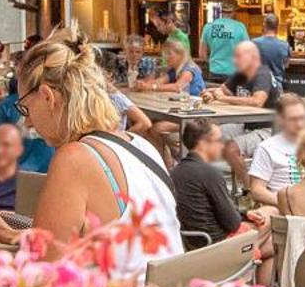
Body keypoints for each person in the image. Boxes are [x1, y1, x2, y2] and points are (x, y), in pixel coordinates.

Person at [16, 27, 182, 273]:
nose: (28, 122)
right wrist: (11, 232)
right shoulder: (143, 147)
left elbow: (41, 272)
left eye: (26, 108)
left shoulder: (75, 158)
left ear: (47, 97)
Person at [171, 121, 246, 246]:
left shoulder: (175, 172)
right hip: (214, 245)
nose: (222, 145)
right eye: (219, 140)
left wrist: (246, 214)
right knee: (268, 222)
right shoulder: (210, 173)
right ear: (203, 143)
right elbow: (233, 223)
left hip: (188, 244)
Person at [240, 95, 305, 211]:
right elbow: (257, 190)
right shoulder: (267, 148)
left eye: (302, 118)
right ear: (280, 120)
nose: (299, 124)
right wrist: (286, 203)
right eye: (293, 119)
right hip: (281, 207)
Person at [203, 40, 280, 110]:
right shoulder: (241, 73)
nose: (235, 61)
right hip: (244, 119)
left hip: (264, 122)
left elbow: (257, 102)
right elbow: (223, 90)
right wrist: (212, 95)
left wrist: (223, 98)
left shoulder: (262, 73)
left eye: (239, 57)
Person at [133, 38, 204, 96]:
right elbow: (159, 81)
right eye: (164, 54)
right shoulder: (174, 70)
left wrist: (151, 87)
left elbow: (177, 87)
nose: (166, 57)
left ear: (180, 54)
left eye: (169, 54)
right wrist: (142, 85)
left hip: (197, 107)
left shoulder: (189, 69)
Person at [198, 7, 248, 81]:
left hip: (214, 70)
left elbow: (202, 54)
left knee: (214, 92)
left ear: (221, 12)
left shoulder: (208, 27)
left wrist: (210, 63)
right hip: (234, 72)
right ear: (233, 13)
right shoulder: (240, 27)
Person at [253, 12, 292, 89]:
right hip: (276, 85)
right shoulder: (285, 45)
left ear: (264, 25)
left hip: (258, 84)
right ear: (277, 26)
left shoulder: (254, 42)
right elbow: (286, 65)